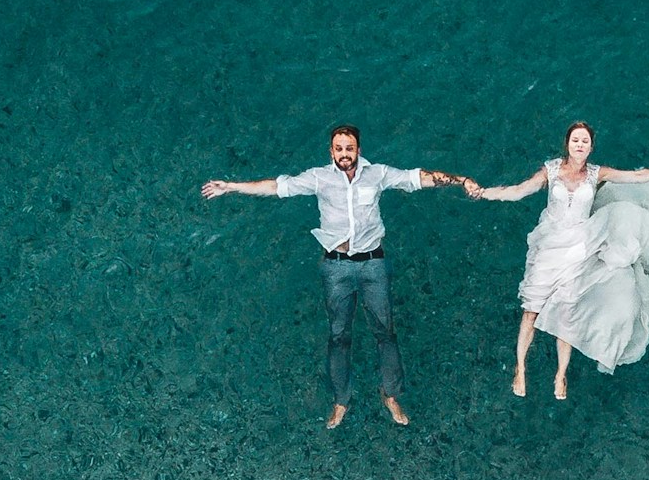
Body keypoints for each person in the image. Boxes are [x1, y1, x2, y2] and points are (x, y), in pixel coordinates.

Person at [201, 127, 472, 428]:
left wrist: (460, 180)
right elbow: (278, 187)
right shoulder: (319, 178)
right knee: (338, 336)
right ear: (331, 151)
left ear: (358, 149)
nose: (344, 154)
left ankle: (391, 394)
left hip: (373, 264)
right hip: (336, 267)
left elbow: (417, 177)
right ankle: (341, 400)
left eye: (350, 148)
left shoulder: (378, 174)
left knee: (385, 332)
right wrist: (232, 186)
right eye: (339, 148)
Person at [466, 123, 649, 399]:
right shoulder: (551, 170)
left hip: (579, 245)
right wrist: (485, 193)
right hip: (550, 245)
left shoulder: (596, 173)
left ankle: (560, 375)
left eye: (585, 141)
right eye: (575, 140)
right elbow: (520, 190)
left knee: (567, 308)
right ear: (567, 143)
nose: (579, 144)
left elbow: (636, 178)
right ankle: (520, 368)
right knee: (531, 308)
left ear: (591, 147)